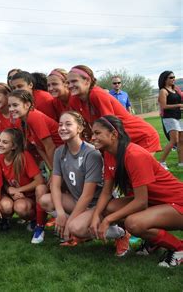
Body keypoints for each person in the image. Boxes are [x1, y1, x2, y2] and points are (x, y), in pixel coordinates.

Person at [89, 115, 183, 267]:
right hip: (156, 202)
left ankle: (179, 247)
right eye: (92, 133)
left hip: (177, 203)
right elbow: (106, 192)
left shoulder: (134, 154)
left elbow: (140, 202)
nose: (93, 137)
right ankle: (154, 241)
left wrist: (107, 220)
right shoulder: (109, 153)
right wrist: (96, 215)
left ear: (114, 134)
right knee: (110, 207)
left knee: (133, 223)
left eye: (97, 133)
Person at [38, 112, 127, 249]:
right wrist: (60, 214)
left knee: (76, 228)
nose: (62, 128)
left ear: (79, 129)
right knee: (44, 200)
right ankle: (79, 229)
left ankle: (120, 233)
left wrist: (69, 223)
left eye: (68, 124)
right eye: (60, 125)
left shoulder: (91, 153)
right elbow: (55, 186)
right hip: (77, 200)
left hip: (96, 204)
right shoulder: (59, 152)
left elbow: (88, 195)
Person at [67, 65, 161, 154]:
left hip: (140, 135)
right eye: (68, 82)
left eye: (74, 81)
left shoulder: (97, 94)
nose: (70, 85)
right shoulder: (74, 100)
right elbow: (84, 127)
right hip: (120, 139)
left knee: (138, 169)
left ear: (87, 81)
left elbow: (109, 126)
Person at [0, 128, 48, 243]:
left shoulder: (24, 156)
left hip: (32, 196)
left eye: (5, 142)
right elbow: (2, 181)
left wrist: (18, 189)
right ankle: (7, 220)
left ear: (13, 146)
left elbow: (39, 181)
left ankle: (37, 222)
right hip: (17, 195)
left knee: (24, 205)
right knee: (8, 205)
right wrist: (9, 189)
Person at [8, 89, 63, 170]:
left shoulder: (33, 116)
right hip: (57, 158)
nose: (11, 109)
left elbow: (50, 146)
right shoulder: (23, 121)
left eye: (15, 105)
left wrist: (55, 171)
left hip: (65, 155)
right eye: (9, 106)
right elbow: (39, 148)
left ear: (27, 105)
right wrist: (51, 169)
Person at [157, 71, 182, 170]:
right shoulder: (163, 91)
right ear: (165, 79)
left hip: (178, 117)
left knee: (181, 141)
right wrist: (179, 105)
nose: (173, 79)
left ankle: (181, 162)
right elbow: (164, 106)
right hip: (169, 117)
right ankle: (161, 162)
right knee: (174, 141)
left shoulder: (175, 89)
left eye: (174, 77)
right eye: (171, 77)